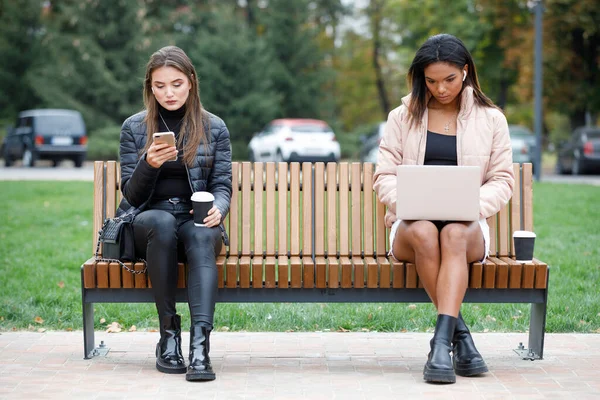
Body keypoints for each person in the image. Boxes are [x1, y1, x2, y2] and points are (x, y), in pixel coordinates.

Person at [373, 34, 514, 384]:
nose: (441, 89)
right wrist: (406, 202)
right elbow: (384, 176)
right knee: (424, 231)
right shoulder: (401, 117)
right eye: (431, 81)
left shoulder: (491, 119)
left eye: (449, 79)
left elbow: (502, 180)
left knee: (451, 234)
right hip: (411, 222)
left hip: (467, 226)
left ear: (465, 72)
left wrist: (470, 205)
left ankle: (441, 345)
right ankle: (459, 337)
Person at [117, 46, 232, 381]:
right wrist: (148, 164)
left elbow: (222, 184)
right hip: (150, 222)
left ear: (191, 82)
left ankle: (200, 346)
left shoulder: (215, 128)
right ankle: (168, 336)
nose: (168, 92)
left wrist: (219, 210)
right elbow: (132, 195)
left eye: (177, 83)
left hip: (196, 221)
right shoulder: (134, 128)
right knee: (161, 222)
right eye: (160, 85)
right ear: (150, 87)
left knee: (199, 233)